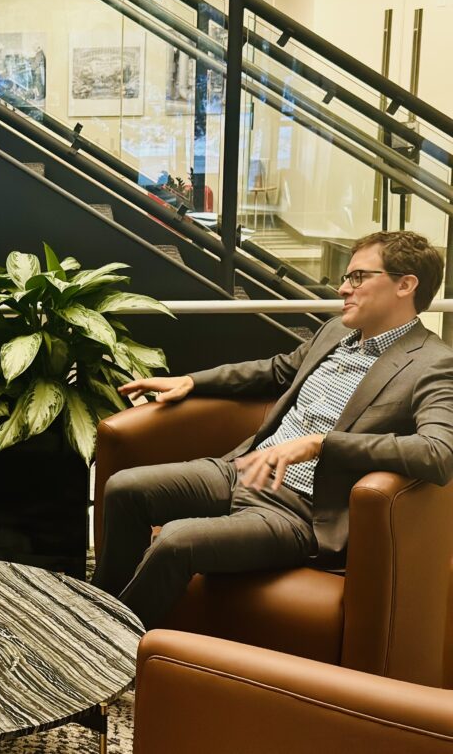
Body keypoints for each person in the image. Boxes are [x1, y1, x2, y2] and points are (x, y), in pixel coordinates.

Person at [91, 231, 453, 629]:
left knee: (176, 540)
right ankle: (93, 616)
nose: (342, 288)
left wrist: (321, 444)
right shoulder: (335, 332)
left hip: (302, 510)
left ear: (406, 284)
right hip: (245, 469)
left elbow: (437, 453)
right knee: (125, 488)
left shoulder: (434, 364)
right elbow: (276, 369)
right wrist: (193, 381)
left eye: (358, 277)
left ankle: (108, 649)